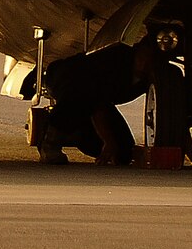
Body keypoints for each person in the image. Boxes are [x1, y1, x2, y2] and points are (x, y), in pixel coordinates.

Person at [28, 40, 160, 165]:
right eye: (145, 56)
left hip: (97, 100)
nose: (147, 63)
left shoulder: (150, 75)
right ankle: (50, 141)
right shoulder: (115, 61)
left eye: (153, 59)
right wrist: (108, 141)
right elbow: (97, 105)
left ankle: (75, 133)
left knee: (124, 151)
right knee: (81, 92)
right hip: (66, 77)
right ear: (137, 51)